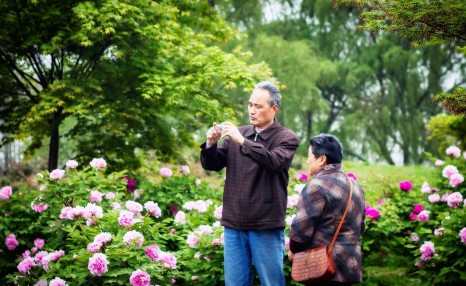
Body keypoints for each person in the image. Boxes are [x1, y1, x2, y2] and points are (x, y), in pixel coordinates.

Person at [200, 81, 299, 286]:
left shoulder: (286, 138)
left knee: (272, 282)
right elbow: (212, 163)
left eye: (258, 106)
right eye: (250, 105)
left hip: (266, 224)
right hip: (234, 223)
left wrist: (244, 142)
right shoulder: (238, 135)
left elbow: (274, 161)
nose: (252, 111)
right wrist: (211, 143)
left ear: (274, 109)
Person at [288, 134, 365, 285]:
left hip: (323, 267)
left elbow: (302, 229)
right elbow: (361, 227)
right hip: (349, 266)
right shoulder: (355, 186)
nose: (307, 160)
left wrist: (293, 249)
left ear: (322, 159)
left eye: (310, 156)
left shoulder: (316, 186)